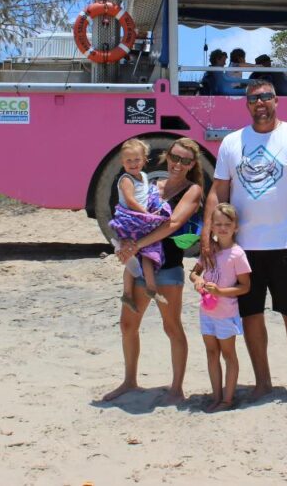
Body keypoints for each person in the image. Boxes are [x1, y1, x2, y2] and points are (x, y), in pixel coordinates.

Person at [204, 79, 287, 403]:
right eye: (254, 98)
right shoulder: (231, 142)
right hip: (243, 249)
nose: (261, 103)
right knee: (250, 316)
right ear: (246, 104)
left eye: (267, 97)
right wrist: (208, 239)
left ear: (276, 101)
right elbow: (218, 191)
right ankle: (262, 382)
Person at [104, 137, 206, 405]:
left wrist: (136, 244)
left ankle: (176, 388)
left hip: (169, 267)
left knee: (171, 327)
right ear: (166, 157)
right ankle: (129, 381)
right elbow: (129, 215)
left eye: (185, 160)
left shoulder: (192, 190)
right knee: (128, 325)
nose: (178, 164)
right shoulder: (149, 184)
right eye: (175, 157)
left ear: (192, 164)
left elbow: (172, 224)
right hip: (139, 263)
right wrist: (126, 243)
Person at [190, 202, 251, 411]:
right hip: (206, 311)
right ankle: (216, 396)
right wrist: (197, 279)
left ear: (235, 227)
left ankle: (227, 399)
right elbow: (194, 272)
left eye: (227, 224)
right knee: (211, 353)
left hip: (226, 313)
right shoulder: (210, 250)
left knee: (228, 354)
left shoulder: (237, 254)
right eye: (218, 224)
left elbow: (245, 287)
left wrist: (220, 292)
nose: (222, 228)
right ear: (212, 227)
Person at [110, 139, 168, 311]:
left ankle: (149, 289)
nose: (133, 164)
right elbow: (130, 200)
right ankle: (129, 293)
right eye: (128, 161)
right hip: (131, 222)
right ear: (122, 162)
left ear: (144, 160)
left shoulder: (143, 176)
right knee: (131, 256)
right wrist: (146, 214)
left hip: (142, 220)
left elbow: (148, 194)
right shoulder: (126, 179)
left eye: (137, 160)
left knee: (146, 255)